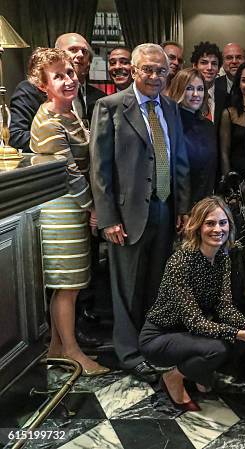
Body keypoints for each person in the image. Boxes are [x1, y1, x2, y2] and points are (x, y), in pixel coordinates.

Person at [90, 43, 191, 383]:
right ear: (133, 71)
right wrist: (108, 218)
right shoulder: (111, 107)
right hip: (127, 216)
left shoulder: (171, 109)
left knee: (156, 285)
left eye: (161, 70)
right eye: (147, 69)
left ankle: (151, 345)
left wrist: (184, 208)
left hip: (165, 210)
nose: (154, 76)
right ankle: (129, 353)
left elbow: (180, 162)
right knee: (127, 288)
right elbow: (100, 170)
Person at [140, 197, 245, 411]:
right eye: (210, 223)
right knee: (218, 348)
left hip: (193, 332)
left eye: (222, 223)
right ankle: (173, 377)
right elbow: (195, 322)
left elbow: (224, 307)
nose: (218, 229)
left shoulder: (222, 257)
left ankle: (198, 373)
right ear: (197, 227)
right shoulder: (181, 262)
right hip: (160, 336)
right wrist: (242, 334)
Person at [28, 48, 109, 376]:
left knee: (68, 284)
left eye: (70, 73)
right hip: (61, 211)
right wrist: (92, 208)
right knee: (69, 284)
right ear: (42, 83)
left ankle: (56, 349)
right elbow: (70, 172)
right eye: (58, 75)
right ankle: (73, 351)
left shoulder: (70, 112)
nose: (68, 79)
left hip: (71, 207)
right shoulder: (48, 118)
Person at [9, 32, 105, 150]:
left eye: (84, 52)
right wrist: (60, 141)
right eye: (73, 49)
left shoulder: (96, 96)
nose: (80, 55)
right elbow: (16, 135)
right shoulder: (30, 90)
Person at [167, 68, 218, 204]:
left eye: (200, 89)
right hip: (177, 205)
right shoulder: (169, 124)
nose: (196, 94)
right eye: (189, 88)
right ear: (179, 89)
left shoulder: (208, 126)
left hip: (204, 204)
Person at [191, 41, 224, 124]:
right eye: (204, 63)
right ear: (195, 66)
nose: (209, 68)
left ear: (219, 69)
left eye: (214, 63)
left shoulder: (225, 98)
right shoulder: (185, 95)